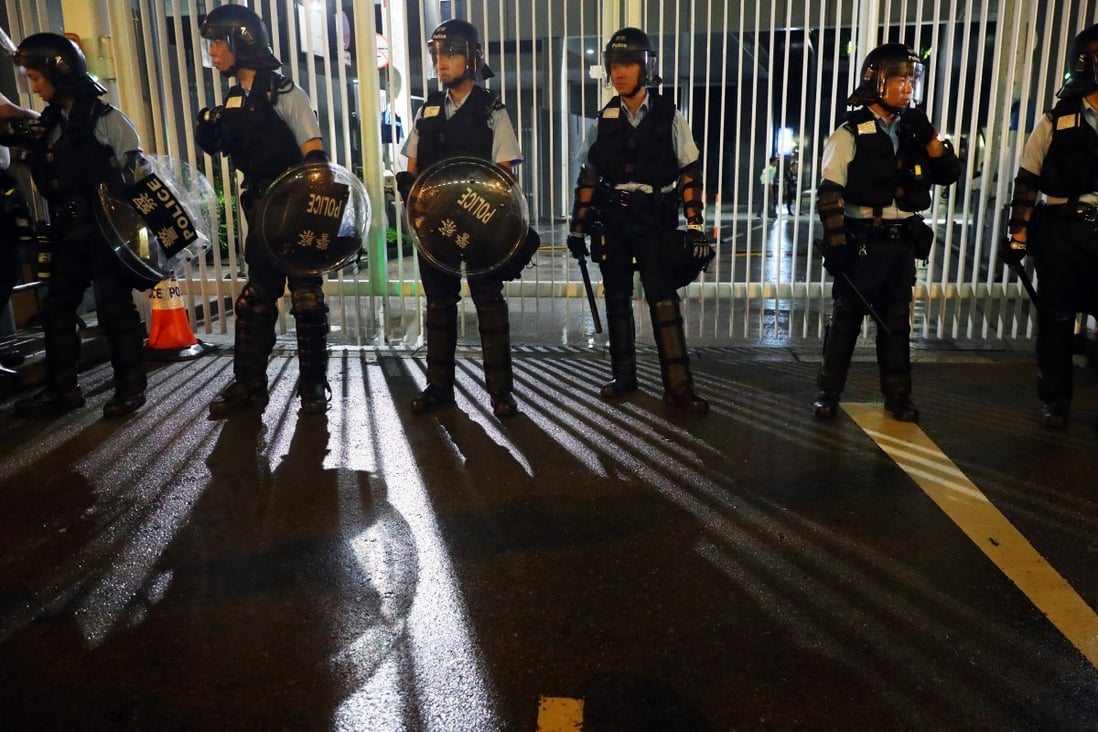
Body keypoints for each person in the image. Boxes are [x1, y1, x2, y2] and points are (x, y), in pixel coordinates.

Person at [0, 34, 149, 418]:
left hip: (104, 228)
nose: (33, 86)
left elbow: (137, 173)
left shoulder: (107, 120)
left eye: (36, 76)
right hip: (69, 229)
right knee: (57, 308)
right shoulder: (50, 123)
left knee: (115, 307)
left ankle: (130, 388)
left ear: (58, 72)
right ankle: (62, 389)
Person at [195, 4, 333, 416]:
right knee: (255, 299)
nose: (213, 53)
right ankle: (249, 387)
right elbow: (226, 149)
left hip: (294, 205)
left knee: (306, 298)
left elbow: (314, 153)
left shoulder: (285, 91)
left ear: (243, 42)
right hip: (259, 207)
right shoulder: (234, 98)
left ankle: (312, 388)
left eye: (219, 43)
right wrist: (209, 131)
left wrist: (313, 205)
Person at [812, 42, 961, 422]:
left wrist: (929, 137)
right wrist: (837, 241)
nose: (908, 86)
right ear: (877, 80)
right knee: (845, 321)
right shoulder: (850, 132)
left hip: (900, 243)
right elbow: (829, 191)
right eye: (900, 78)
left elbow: (949, 173)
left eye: (913, 78)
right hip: (862, 241)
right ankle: (829, 393)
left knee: (897, 323)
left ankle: (898, 396)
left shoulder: (914, 133)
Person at [566, 27, 711, 414]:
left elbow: (690, 172)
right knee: (616, 297)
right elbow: (590, 175)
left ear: (645, 68)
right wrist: (577, 227)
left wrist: (695, 224)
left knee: (662, 298)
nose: (620, 72)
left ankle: (678, 386)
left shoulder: (669, 115)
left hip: (654, 218)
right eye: (615, 64)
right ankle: (623, 375)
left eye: (628, 63)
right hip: (614, 218)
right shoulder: (605, 118)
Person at [397, 19, 524, 418]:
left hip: (480, 224)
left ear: (471, 58)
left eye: (449, 53)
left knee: (489, 303)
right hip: (434, 228)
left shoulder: (492, 109)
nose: (441, 62)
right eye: (437, 54)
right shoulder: (427, 109)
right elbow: (413, 168)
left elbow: (505, 173)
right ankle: (439, 389)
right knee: (438, 306)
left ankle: (501, 392)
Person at [1004, 24, 1098, 428]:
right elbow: (1027, 180)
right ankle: (1055, 401)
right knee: (1056, 321)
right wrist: (1018, 235)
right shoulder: (1055, 121)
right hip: (1061, 232)